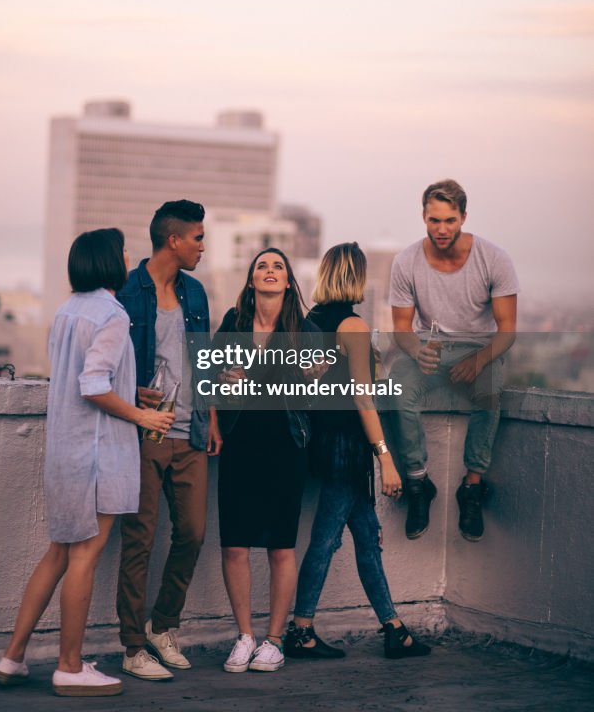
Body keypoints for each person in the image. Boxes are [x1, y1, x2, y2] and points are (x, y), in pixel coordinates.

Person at [0, 229, 174, 697]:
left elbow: (83, 377)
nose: (129, 256)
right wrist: (142, 413)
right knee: (84, 557)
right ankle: (70, 667)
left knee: (57, 554)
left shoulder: (68, 309)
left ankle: (12, 659)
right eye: (123, 251)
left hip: (65, 452)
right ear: (110, 261)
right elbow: (92, 385)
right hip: (99, 454)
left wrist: (131, 391)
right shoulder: (113, 315)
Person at [285, 243, 431, 661]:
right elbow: (363, 400)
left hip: (323, 441)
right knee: (325, 539)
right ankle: (301, 629)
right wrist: (385, 459)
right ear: (356, 277)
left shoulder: (311, 322)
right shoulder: (351, 326)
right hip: (347, 448)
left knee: (366, 537)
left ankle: (394, 631)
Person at [116, 200, 222, 681]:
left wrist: (212, 418)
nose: (204, 245)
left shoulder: (195, 293)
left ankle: (164, 625)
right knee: (139, 539)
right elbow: (104, 367)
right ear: (173, 240)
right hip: (145, 433)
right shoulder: (127, 292)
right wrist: (130, 389)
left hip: (191, 433)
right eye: (198, 237)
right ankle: (132, 646)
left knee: (194, 532)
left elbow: (205, 362)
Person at [389, 179, 518, 542]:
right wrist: (416, 351)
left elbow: (507, 330)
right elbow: (401, 327)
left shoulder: (493, 259)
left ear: (463, 216)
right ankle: (418, 482)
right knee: (399, 387)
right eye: (433, 220)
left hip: (480, 349)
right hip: (429, 348)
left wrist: (478, 361)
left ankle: (472, 486)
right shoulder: (406, 261)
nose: (441, 229)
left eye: (449, 220)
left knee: (490, 390)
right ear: (424, 217)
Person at [215, 248, 318, 674]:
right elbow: (209, 377)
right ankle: (244, 636)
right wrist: (219, 403)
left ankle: (274, 641)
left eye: (278, 266)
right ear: (251, 280)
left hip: (285, 446)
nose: (270, 271)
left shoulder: (304, 329)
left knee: (280, 546)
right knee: (234, 544)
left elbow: (324, 379)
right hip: (239, 443)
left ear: (289, 282)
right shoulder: (233, 323)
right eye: (263, 266)